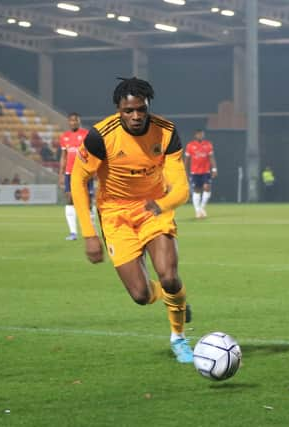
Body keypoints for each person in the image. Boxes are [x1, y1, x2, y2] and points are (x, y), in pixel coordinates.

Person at [70, 77, 194, 363]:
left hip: (153, 209)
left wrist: (160, 205)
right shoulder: (100, 136)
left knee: (169, 274)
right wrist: (89, 233)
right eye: (129, 111)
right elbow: (78, 180)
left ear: (148, 107)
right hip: (114, 215)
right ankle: (171, 298)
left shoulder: (166, 132)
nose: (136, 116)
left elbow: (182, 188)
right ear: (118, 110)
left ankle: (179, 337)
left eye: (141, 109)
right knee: (140, 294)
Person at [58, 112, 92, 241]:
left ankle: (90, 230)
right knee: (69, 199)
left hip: (84, 172)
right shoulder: (64, 137)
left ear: (79, 121)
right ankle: (73, 233)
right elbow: (64, 156)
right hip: (69, 172)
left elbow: (92, 153)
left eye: (75, 120)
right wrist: (61, 174)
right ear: (68, 122)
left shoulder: (86, 134)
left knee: (87, 201)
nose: (73, 122)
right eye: (71, 120)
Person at [184, 129, 217, 218]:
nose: (200, 136)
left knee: (207, 187)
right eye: (199, 134)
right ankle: (197, 211)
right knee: (197, 190)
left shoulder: (208, 145)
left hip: (205, 171)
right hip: (195, 172)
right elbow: (187, 160)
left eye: (202, 134)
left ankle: (202, 208)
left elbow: (211, 157)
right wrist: (185, 172)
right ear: (195, 135)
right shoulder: (190, 146)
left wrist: (214, 169)